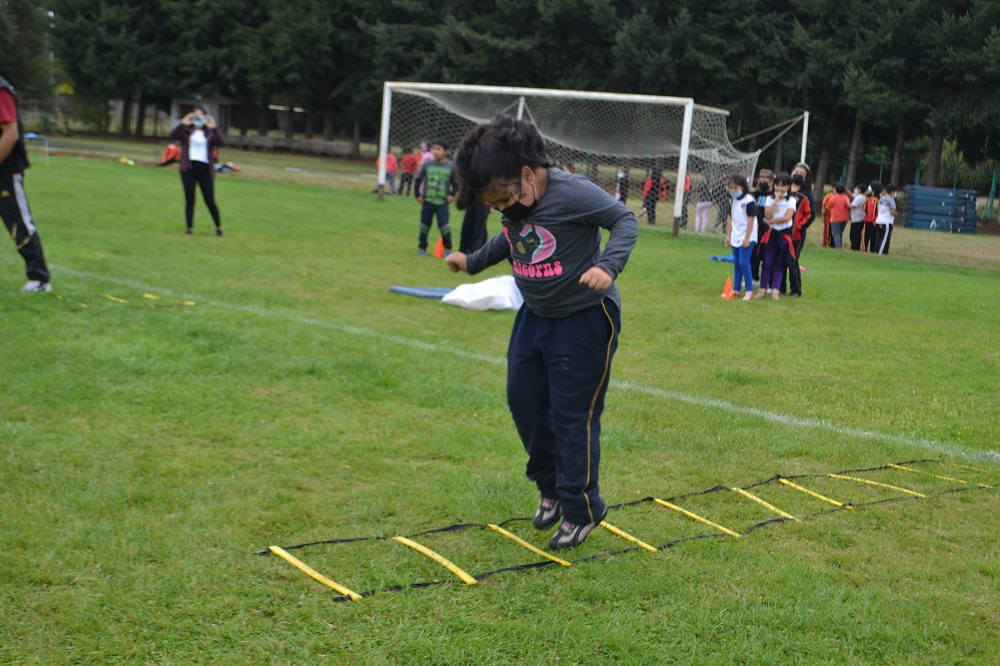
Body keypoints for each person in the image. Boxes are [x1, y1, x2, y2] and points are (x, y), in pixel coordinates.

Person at [445, 113, 638, 550]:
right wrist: (472, 261)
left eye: (504, 198)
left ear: (528, 174)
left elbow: (625, 221)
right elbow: (513, 238)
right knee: (524, 402)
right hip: (535, 316)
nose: (501, 209)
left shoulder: (572, 193)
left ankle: (582, 509)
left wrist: (607, 266)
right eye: (493, 204)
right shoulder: (514, 203)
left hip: (585, 317)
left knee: (573, 417)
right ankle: (551, 489)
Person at [0, 73, 51, 292]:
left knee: (19, 225)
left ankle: (39, 279)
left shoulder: (1, 90)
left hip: (5, 172)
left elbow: (10, 135)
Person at [168, 106, 224, 235]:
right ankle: (189, 228)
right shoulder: (187, 131)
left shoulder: (209, 132)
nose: (198, 119)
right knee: (190, 200)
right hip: (189, 168)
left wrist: (214, 127)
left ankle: (218, 227)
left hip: (205, 169)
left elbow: (220, 143)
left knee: (209, 200)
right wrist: (182, 123)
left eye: (201, 116)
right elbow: (172, 136)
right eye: (195, 116)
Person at [757, 172, 797, 301]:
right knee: (767, 262)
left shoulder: (791, 200)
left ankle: (775, 290)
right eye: (777, 186)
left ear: (789, 186)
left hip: (784, 234)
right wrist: (775, 201)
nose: (780, 189)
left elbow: (787, 218)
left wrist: (770, 222)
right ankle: (762, 290)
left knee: (779, 263)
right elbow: (767, 214)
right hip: (770, 235)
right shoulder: (769, 198)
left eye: (783, 186)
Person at [413, 138, 457, 257]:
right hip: (427, 201)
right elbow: (417, 180)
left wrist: (452, 195)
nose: (435, 152)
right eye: (434, 149)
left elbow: (456, 183)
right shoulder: (427, 164)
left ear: (446, 152)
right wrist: (417, 194)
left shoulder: (450, 166)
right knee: (424, 226)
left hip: (442, 203)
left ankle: (448, 249)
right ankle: (422, 248)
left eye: (439, 149)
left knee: (444, 226)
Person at [724, 175, 757, 301]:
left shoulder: (749, 200)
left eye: (735, 188)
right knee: (737, 263)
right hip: (735, 236)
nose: (732, 190)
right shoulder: (732, 199)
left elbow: (751, 220)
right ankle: (736, 289)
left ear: (743, 187)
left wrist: (747, 237)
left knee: (744, 263)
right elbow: (731, 218)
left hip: (747, 236)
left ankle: (749, 291)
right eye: (730, 188)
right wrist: (728, 235)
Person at [785, 163, 814, 296]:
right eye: (795, 172)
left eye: (801, 174)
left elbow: (810, 214)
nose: (797, 175)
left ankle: (796, 290)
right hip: (781, 233)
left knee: (792, 261)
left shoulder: (806, 195)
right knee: (780, 261)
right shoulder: (784, 192)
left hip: (796, 236)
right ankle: (779, 287)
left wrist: (799, 226)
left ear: (806, 178)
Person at [750, 169, 773, 285]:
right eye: (761, 177)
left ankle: (769, 282)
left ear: (772, 181)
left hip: (769, 229)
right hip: (757, 229)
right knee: (754, 253)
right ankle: (754, 278)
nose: (763, 179)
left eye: (766, 177)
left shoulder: (773, 196)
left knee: (768, 256)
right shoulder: (757, 194)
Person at [874, 182, 898, 254]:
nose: (895, 194)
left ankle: (877, 251)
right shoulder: (891, 200)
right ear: (892, 191)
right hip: (886, 222)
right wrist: (896, 213)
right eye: (895, 192)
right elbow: (892, 212)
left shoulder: (881, 198)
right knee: (885, 238)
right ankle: (881, 252)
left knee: (878, 237)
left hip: (878, 220)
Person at [826, 183, 852, 249]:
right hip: (844, 219)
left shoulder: (833, 198)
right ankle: (838, 245)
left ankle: (838, 248)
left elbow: (827, 208)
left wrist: (823, 212)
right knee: (839, 233)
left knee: (836, 234)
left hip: (835, 218)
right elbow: (849, 207)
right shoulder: (846, 198)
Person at [848, 183, 867, 251]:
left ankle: (855, 247)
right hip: (860, 219)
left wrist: (846, 201)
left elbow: (851, 206)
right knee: (856, 234)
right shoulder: (862, 197)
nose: (856, 189)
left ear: (859, 190)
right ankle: (855, 246)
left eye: (857, 188)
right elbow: (852, 195)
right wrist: (845, 189)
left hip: (857, 219)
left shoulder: (859, 198)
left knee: (854, 235)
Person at [863, 184, 879, 252]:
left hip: (873, 221)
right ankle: (864, 249)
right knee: (865, 236)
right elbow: (865, 206)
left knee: (873, 237)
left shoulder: (878, 198)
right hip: (866, 220)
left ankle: (873, 250)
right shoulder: (868, 197)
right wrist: (864, 211)